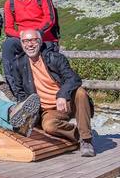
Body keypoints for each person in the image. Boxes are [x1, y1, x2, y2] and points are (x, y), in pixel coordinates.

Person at [12, 29, 95, 157]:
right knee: (49, 126)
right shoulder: (18, 64)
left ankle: (86, 141)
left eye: (33, 40)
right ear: (22, 44)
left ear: (40, 42)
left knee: (80, 92)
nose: (30, 44)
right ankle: (79, 134)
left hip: (67, 102)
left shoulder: (54, 58)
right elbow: (19, 91)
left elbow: (74, 78)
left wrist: (62, 95)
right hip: (47, 110)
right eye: (26, 41)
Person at [2, 0, 59, 92]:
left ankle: (55, 88)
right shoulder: (9, 2)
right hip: (23, 38)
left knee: (49, 60)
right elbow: (8, 28)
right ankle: (13, 89)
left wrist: (37, 33)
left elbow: (50, 19)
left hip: (45, 37)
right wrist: (21, 35)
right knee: (8, 45)